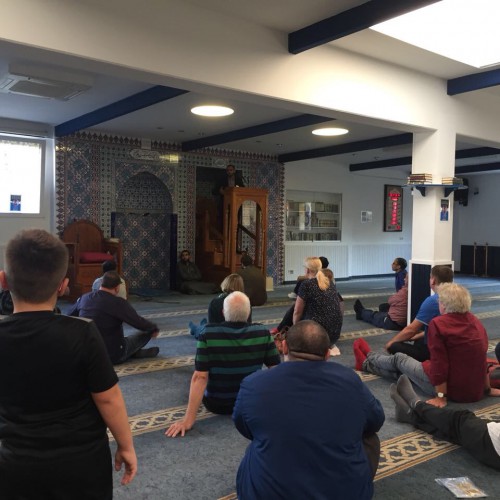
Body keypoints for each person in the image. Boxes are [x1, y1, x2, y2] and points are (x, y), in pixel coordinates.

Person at [0, 229, 136, 498]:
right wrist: (126, 445)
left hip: (16, 466)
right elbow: (109, 399)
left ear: (3, 280)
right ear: (62, 286)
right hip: (83, 466)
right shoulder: (83, 333)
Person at [233, 320, 385, 499]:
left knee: (258, 443)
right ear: (327, 354)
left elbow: (244, 427)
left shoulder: (253, 384)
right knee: (369, 438)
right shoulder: (349, 380)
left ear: (284, 347)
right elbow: (376, 420)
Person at [354, 283, 497, 406]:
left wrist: (441, 397)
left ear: (444, 305)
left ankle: (369, 356)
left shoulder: (439, 324)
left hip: (450, 390)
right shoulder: (475, 322)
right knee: (405, 374)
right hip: (474, 389)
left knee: (400, 359)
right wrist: (487, 389)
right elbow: (482, 359)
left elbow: (440, 364)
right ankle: (365, 365)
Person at [165, 291, 280, 437]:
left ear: (223, 312)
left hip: (217, 404)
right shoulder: (262, 332)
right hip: (250, 401)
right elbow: (276, 372)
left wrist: (188, 420)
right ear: (249, 313)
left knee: (195, 376)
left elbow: (200, 377)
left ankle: (195, 327)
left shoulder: (208, 334)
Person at [390, 374, 500, 471]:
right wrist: (487, 389)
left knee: (460, 419)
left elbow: (440, 370)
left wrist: (441, 397)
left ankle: (416, 404)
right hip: (494, 456)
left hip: (456, 389)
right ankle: (410, 415)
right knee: (457, 434)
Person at [68, 271, 160, 364]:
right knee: (147, 332)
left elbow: (70, 315)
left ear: (101, 283)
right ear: (117, 288)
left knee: (123, 340)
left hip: (88, 354)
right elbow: (138, 322)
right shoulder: (118, 303)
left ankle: (133, 352)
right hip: (113, 355)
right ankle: (132, 353)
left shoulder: (85, 298)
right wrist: (153, 328)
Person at [385, 265, 453, 362]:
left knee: (394, 346)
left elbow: (411, 329)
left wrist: (390, 342)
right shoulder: (457, 298)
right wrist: (417, 336)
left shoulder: (433, 301)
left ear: (433, 280)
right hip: (450, 347)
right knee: (418, 337)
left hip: (435, 351)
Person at [188, 273, 250, 339]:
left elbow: (212, 327)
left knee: (203, 330)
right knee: (205, 327)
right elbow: (248, 324)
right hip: (241, 334)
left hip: (219, 334)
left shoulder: (216, 302)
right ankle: (202, 325)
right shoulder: (246, 301)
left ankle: (195, 328)